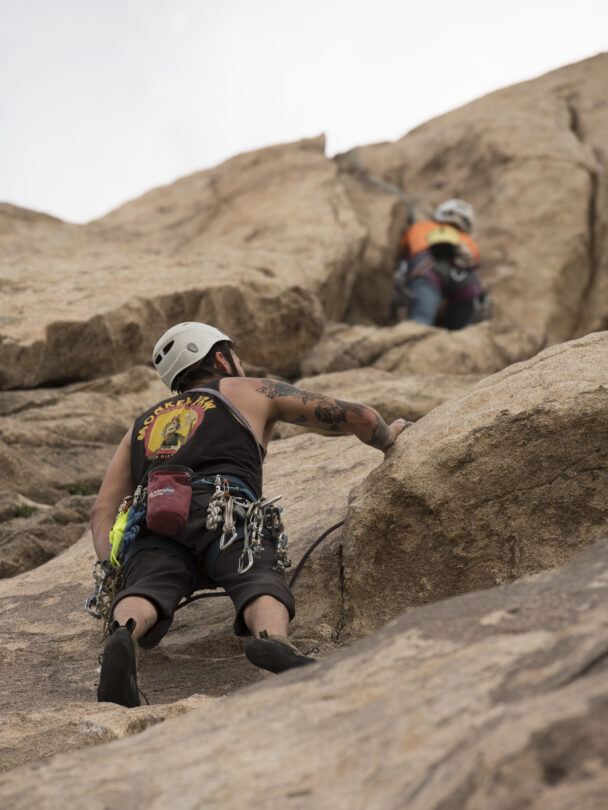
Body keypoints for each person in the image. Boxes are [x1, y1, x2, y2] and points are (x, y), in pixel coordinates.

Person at [91, 321, 410, 707]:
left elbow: (102, 510)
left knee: (147, 585)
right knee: (258, 573)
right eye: (234, 355)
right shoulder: (249, 389)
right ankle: (273, 642)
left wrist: (117, 564)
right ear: (221, 358)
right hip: (226, 509)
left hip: (158, 516)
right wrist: (388, 436)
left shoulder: (141, 424)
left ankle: (124, 634)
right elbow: (356, 416)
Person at [393, 199, 490, 329]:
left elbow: (401, 251)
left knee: (421, 320)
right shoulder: (468, 240)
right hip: (464, 278)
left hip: (426, 269)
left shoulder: (419, 227)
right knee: (461, 331)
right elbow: (475, 262)